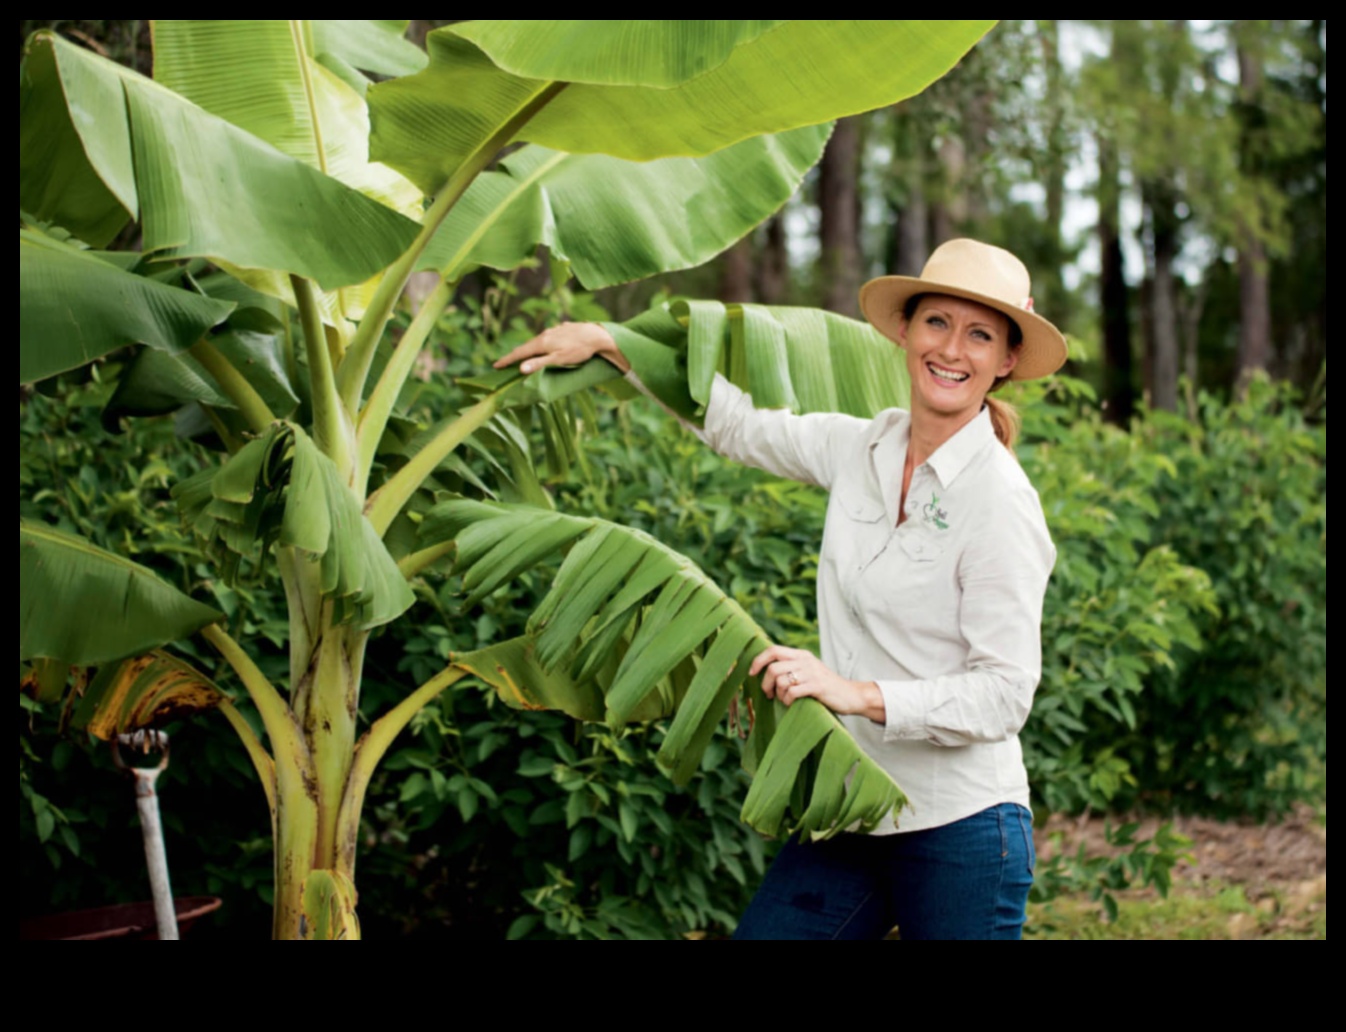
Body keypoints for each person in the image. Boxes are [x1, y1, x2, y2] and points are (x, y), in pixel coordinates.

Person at [495, 238, 1066, 940]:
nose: (952, 349)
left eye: (980, 334)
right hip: (852, 801)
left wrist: (854, 694)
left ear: (1006, 361)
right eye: (937, 323)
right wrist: (614, 344)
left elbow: (1004, 693)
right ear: (904, 331)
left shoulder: (1000, 502)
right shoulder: (865, 448)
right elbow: (738, 427)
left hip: (961, 827)